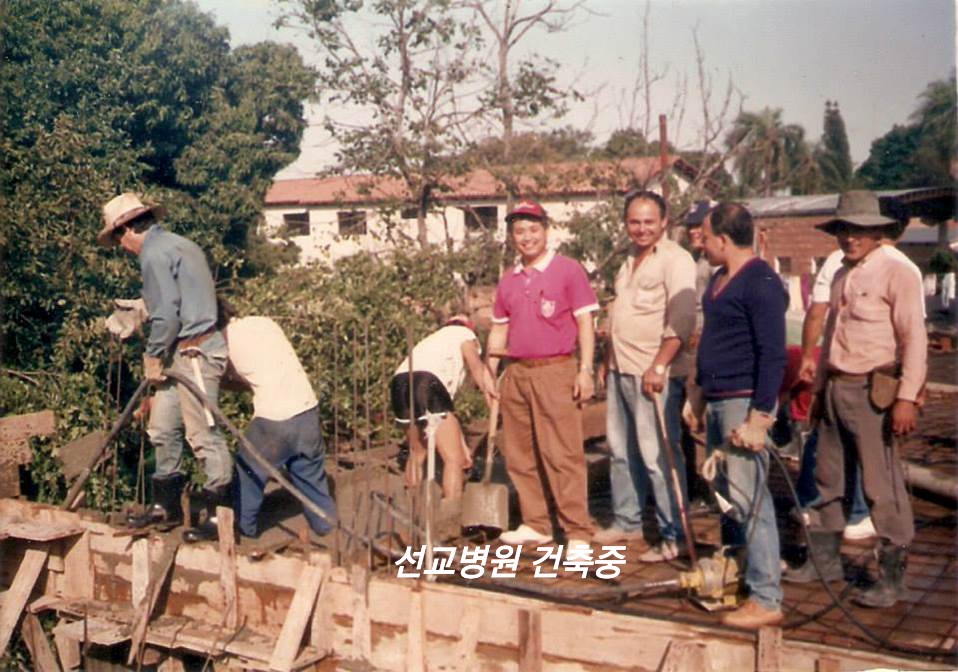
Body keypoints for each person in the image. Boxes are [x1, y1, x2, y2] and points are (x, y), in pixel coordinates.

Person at [789, 191, 926, 608]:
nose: (851, 238)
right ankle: (825, 563)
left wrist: (906, 398)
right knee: (827, 478)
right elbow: (832, 334)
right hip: (835, 387)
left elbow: (914, 339)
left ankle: (891, 581)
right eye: (844, 230)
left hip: (873, 392)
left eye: (860, 230)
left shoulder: (898, 273)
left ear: (878, 231)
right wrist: (818, 387)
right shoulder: (841, 275)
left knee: (881, 487)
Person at [98, 193, 231, 543]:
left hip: (195, 353)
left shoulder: (153, 254)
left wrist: (153, 355)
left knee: (203, 434)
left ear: (127, 230)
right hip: (181, 353)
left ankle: (219, 519)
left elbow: (167, 316)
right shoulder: (177, 244)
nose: (121, 247)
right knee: (161, 427)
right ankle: (165, 507)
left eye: (118, 239)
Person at [686, 202, 787, 629]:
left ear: (724, 240)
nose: (702, 245)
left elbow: (773, 354)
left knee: (751, 500)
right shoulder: (717, 280)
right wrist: (697, 395)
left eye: (706, 238)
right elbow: (711, 339)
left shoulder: (761, 282)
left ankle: (767, 596)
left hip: (743, 404)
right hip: (717, 399)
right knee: (727, 498)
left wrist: (759, 418)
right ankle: (740, 572)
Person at [485, 200, 599, 551]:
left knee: (562, 453)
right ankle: (536, 523)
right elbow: (499, 329)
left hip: (556, 370)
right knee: (520, 453)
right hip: (517, 373)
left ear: (546, 231)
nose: (527, 237)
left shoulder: (568, 270)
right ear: (511, 236)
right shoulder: (508, 279)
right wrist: (489, 373)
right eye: (519, 231)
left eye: (533, 229)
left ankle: (577, 531)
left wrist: (585, 370)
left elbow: (585, 323)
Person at [594, 190, 696, 560]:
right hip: (621, 368)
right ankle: (628, 521)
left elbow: (682, 319)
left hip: (653, 373)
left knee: (658, 455)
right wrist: (606, 362)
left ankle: (674, 534)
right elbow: (618, 316)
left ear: (664, 221)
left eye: (649, 221)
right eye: (634, 222)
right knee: (621, 451)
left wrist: (659, 365)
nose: (641, 229)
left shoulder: (675, 259)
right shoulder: (628, 262)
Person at [220, 303, 338, 540]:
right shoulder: (264, 322)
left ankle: (244, 529)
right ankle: (327, 526)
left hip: (274, 421)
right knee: (308, 473)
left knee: (248, 469)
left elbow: (225, 378)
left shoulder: (222, 342)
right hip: (307, 411)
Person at [390, 316, 495, 499]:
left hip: (399, 383)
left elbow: (446, 412)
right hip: (427, 383)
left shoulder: (433, 341)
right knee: (454, 460)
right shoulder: (464, 334)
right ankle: (450, 511)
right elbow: (476, 367)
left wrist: (462, 444)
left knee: (417, 453)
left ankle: (410, 506)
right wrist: (491, 398)